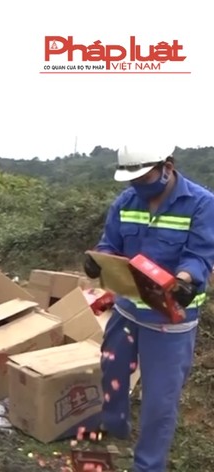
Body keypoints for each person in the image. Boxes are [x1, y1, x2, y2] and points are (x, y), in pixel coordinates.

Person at [83, 146, 214, 472]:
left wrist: (184, 280)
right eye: (133, 181)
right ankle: (115, 426)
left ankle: (148, 464)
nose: (139, 186)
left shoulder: (201, 204)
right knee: (112, 368)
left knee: (159, 398)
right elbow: (110, 244)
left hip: (170, 319)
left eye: (144, 178)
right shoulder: (126, 202)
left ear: (167, 167)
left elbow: (200, 255)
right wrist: (97, 258)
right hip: (128, 309)